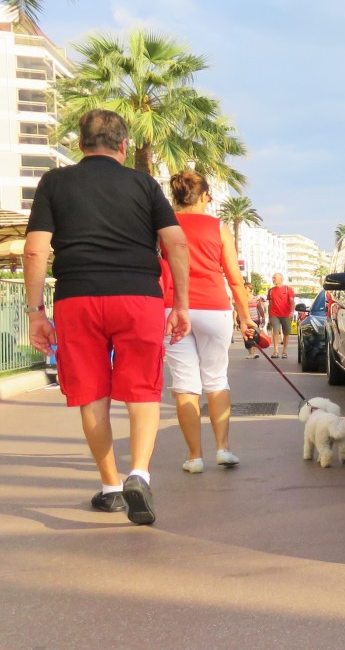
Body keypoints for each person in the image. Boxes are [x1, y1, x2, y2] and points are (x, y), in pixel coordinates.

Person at [23, 109, 191, 526]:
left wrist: (35, 313)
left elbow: (34, 250)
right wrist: (181, 304)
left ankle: (112, 487)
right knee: (142, 390)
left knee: (92, 394)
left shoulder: (54, 182)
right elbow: (176, 244)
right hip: (138, 297)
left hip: (76, 298)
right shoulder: (143, 183)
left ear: (80, 145)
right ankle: (139, 473)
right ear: (123, 145)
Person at [162, 172, 256, 473]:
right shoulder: (219, 228)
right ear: (204, 196)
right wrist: (245, 318)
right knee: (216, 379)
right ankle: (223, 449)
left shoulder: (163, 226)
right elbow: (235, 279)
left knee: (185, 385)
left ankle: (194, 457)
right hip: (214, 308)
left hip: (172, 308)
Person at [266, 273, 295, 359]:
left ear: (281, 279)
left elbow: (292, 302)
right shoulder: (271, 291)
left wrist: (291, 312)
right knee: (275, 331)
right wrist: (269, 316)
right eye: (272, 278)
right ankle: (276, 351)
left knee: (286, 333)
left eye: (274, 278)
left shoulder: (288, 289)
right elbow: (270, 304)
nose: (273, 279)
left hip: (286, 315)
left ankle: (284, 351)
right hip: (275, 314)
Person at [243, 282, 266, 359]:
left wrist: (263, 317)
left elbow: (260, 308)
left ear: (250, 289)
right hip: (246, 320)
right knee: (246, 336)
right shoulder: (242, 298)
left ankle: (254, 353)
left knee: (254, 336)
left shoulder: (256, 298)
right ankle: (250, 352)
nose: (244, 289)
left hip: (255, 320)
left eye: (246, 288)